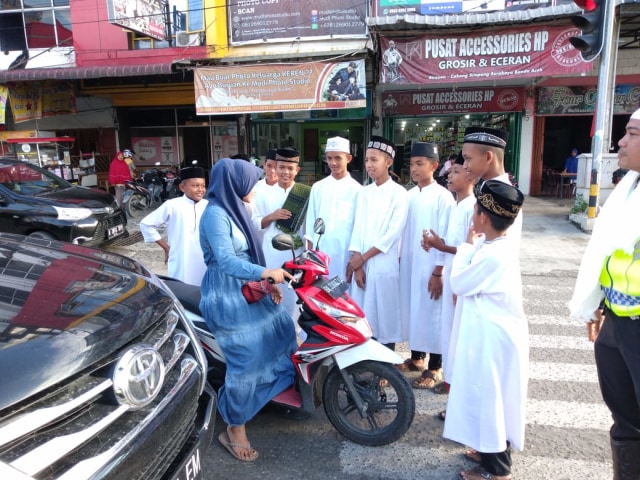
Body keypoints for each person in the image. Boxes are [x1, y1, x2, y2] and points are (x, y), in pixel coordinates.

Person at [199, 158, 297, 462]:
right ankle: (234, 425)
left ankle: (260, 396)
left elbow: (252, 251)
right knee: (248, 358)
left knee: (283, 333)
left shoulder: (237, 209)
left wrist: (268, 282)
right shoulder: (215, 215)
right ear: (234, 184)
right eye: (250, 183)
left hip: (249, 288)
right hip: (226, 293)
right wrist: (265, 273)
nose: (254, 188)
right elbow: (227, 261)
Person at [568, 108, 640, 479]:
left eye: (631, 133)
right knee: (625, 418)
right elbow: (606, 251)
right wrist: (597, 303)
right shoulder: (629, 187)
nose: (621, 142)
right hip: (617, 320)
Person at [444, 180, 528, 480]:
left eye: (476, 208)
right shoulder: (493, 245)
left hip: (493, 340)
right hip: (488, 335)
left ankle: (498, 470)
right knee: (483, 395)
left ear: (482, 217)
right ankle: (486, 448)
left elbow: (459, 283)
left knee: (491, 398)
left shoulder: (493, 254)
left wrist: (466, 245)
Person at [397, 142, 455, 390]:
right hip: (411, 265)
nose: (414, 169)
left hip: (433, 266)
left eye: (420, 164)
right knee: (415, 311)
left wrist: (438, 272)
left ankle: (435, 367)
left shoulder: (443, 198)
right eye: (411, 164)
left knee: (433, 315)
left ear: (434, 166)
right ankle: (417, 359)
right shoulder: (409, 195)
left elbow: (446, 238)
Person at [421, 152, 476, 396]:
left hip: (461, 278)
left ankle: (455, 384)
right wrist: (434, 243)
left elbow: (471, 247)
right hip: (455, 276)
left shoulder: (472, 207)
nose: (449, 176)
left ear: (470, 175)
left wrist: (440, 248)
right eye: (450, 171)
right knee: (450, 332)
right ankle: (451, 381)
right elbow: (452, 242)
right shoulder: (458, 205)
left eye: (455, 172)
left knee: (458, 334)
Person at [347, 135, 408, 345]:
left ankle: (386, 368)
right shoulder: (364, 193)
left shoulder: (400, 194)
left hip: (383, 263)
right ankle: (366, 367)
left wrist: (361, 259)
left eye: (374, 160)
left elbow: (391, 235)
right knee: (363, 314)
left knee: (385, 314)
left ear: (388, 162)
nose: (369, 165)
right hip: (362, 264)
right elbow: (357, 228)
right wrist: (357, 263)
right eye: (366, 160)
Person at [251, 147, 309, 331]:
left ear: (297, 170)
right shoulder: (262, 192)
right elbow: (254, 222)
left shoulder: (307, 193)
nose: (285, 172)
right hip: (272, 252)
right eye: (282, 167)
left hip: (297, 253)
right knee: (274, 293)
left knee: (296, 295)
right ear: (275, 167)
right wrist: (272, 216)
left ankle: (295, 332)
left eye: (290, 168)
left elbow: (310, 227)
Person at [139, 166, 208, 286]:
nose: (200, 189)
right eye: (195, 185)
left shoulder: (209, 206)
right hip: (181, 259)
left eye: (203, 185)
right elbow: (146, 224)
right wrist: (166, 247)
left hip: (205, 260)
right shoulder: (172, 205)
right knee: (182, 291)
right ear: (182, 187)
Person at [305, 136, 361, 280]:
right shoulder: (318, 188)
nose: (333, 163)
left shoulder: (358, 190)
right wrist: (310, 257)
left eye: (338, 158)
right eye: (329, 158)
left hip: (345, 254)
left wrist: (355, 258)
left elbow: (359, 228)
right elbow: (312, 223)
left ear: (348, 158)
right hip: (321, 254)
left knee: (344, 297)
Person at [461, 126, 523, 247]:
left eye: (468, 159)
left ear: (488, 157)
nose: (464, 166)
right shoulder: (487, 188)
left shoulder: (504, 197)